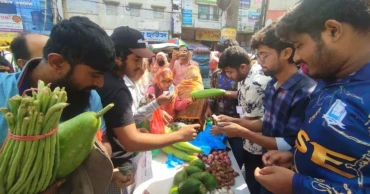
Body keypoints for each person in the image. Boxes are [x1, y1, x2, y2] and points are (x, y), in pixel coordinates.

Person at [253, 0, 370, 193]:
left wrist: (297, 185)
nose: (297, 57)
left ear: (333, 30)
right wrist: (295, 154)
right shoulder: (328, 79)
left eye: (299, 45)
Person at [0, 16, 116, 193]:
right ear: (56, 62)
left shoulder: (90, 97)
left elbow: (103, 142)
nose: (100, 84)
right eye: (94, 74)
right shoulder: (3, 91)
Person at [212, 23, 317, 194]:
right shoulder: (272, 85)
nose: (259, 62)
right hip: (269, 160)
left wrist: (241, 132)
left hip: (288, 174)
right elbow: (265, 123)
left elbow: (288, 143)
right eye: (258, 55)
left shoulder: (304, 92)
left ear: (286, 53)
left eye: (264, 55)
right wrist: (234, 121)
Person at [95, 26, 199, 193]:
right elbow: (131, 141)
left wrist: (155, 105)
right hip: (114, 166)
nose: (141, 65)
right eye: (136, 59)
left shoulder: (110, 81)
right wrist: (178, 136)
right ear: (118, 57)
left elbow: (121, 121)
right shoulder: (117, 89)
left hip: (111, 163)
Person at [212, 46, 271, 194]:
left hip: (257, 145)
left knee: (254, 180)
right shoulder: (245, 77)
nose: (229, 76)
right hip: (248, 139)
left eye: (230, 72)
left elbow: (257, 125)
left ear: (243, 67)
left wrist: (231, 123)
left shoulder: (254, 84)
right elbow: (241, 97)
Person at [205, 39, 241, 168]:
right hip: (219, 119)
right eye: (219, 56)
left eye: (222, 56)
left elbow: (244, 95)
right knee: (219, 155)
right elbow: (211, 94)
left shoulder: (241, 74)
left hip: (237, 121)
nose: (220, 60)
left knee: (236, 157)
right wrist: (209, 107)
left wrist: (224, 93)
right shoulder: (216, 74)